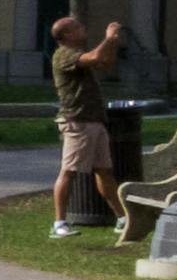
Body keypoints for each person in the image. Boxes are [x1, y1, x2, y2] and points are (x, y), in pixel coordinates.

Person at [51, 13, 127, 237]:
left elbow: (105, 62)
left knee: (104, 172)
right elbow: (95, 58)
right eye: (78, 27)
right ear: (67, 35)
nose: (83, 29)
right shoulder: (63, 56)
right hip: (77, 122)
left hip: (94, 121)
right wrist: (109, 38)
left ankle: (122, 218)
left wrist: (112, 42)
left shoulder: (76, 53)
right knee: (69, 172)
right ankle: (59, 224)